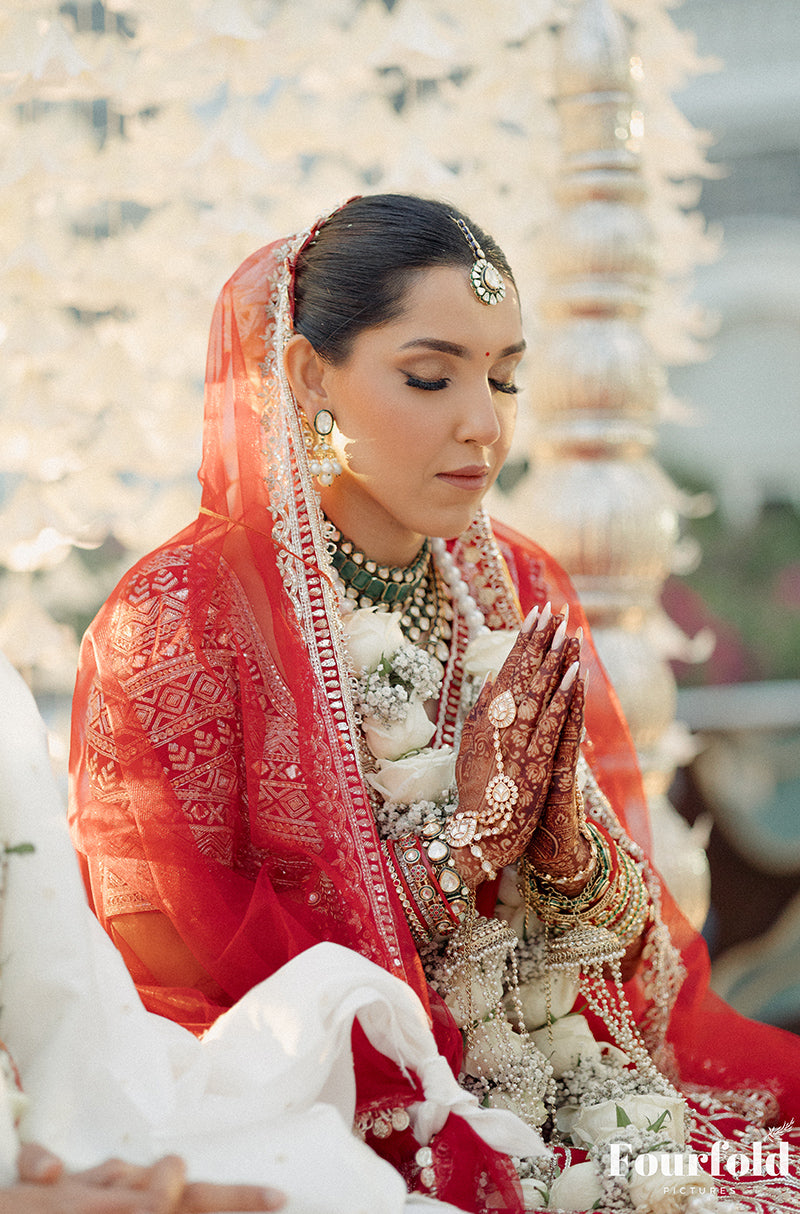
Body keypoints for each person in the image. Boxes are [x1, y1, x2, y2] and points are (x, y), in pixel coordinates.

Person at [69, 194, 800, 1213]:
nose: (484, 423)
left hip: (575, 1083)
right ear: (306, 375)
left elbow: (631, 952)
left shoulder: (516, 584)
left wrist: (564, 856)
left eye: (504, 377)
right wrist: (459, 842)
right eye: (430, 375)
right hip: (337, 1120)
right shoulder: (180, 620)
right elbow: (179, 979)